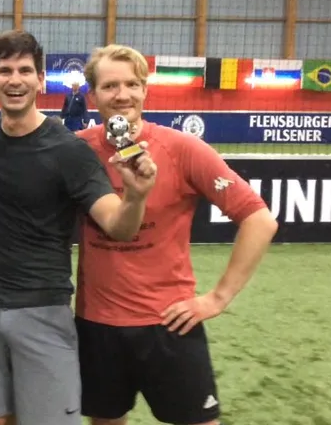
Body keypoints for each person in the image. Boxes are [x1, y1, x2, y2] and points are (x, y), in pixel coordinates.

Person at [0, 30, 158, 425]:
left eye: (25, 71)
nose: (15, 80)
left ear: (41, 80)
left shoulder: (69, 151)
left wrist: (135, 197)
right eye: (5, 71)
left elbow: (117, 225)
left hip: (42, 310)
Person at [74, 44, 278, 425]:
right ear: (92, 95)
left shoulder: (182, 149)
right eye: (110, 86)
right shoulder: (77, 151)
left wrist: (218, 298)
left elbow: (259, 219)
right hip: (96, 324)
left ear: (145, 91)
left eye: (132, 84)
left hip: (168, 323)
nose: (122, 94)